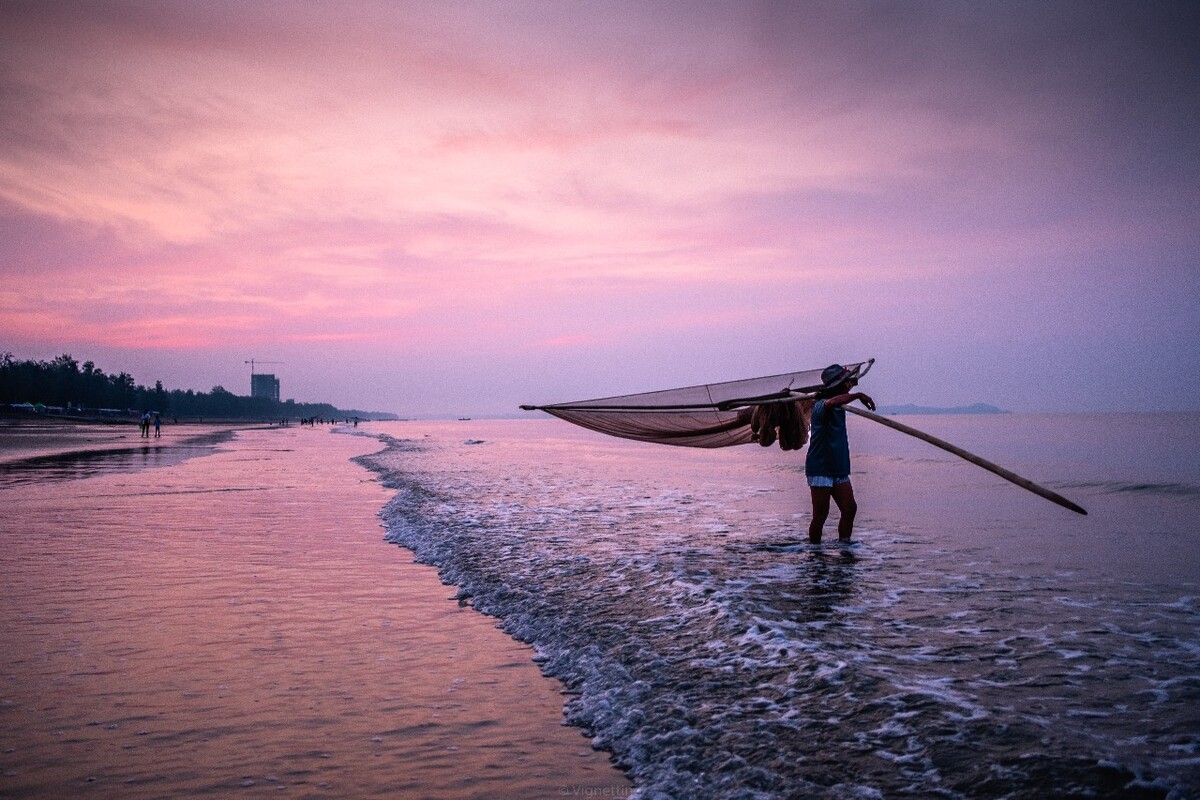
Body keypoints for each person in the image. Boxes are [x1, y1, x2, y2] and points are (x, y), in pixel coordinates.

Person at [805, 364, 875, 544]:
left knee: (850, 508)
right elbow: (832, 402)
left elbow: (839, 400)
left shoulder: (840, 407)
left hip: (838, 467)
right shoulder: (820, 406)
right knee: (821, 515)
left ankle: (844, 547)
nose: (848, 386)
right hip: (820, 467)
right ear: (836, 387)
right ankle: (815, 553)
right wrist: (858, 396)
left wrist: (854, 393)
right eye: (844, 383)